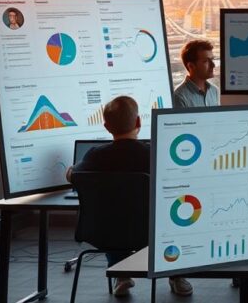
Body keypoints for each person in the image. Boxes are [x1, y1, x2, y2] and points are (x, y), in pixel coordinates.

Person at [66, 96, 194, 298]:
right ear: (138, 123)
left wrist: (71, 170)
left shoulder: (95, 155)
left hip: (105, 233)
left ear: (107, 127)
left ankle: (121, 274)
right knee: (174, 219)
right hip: (150, 231)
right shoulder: (155, 153)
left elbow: (73, 175)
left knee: (113, 218)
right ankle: (176, 275)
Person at [172, 39, 220, 108]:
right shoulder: (179, 96)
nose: (213, 65)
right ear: (191, 66)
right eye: (206, 61)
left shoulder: (214, 91)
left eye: (212, 59)